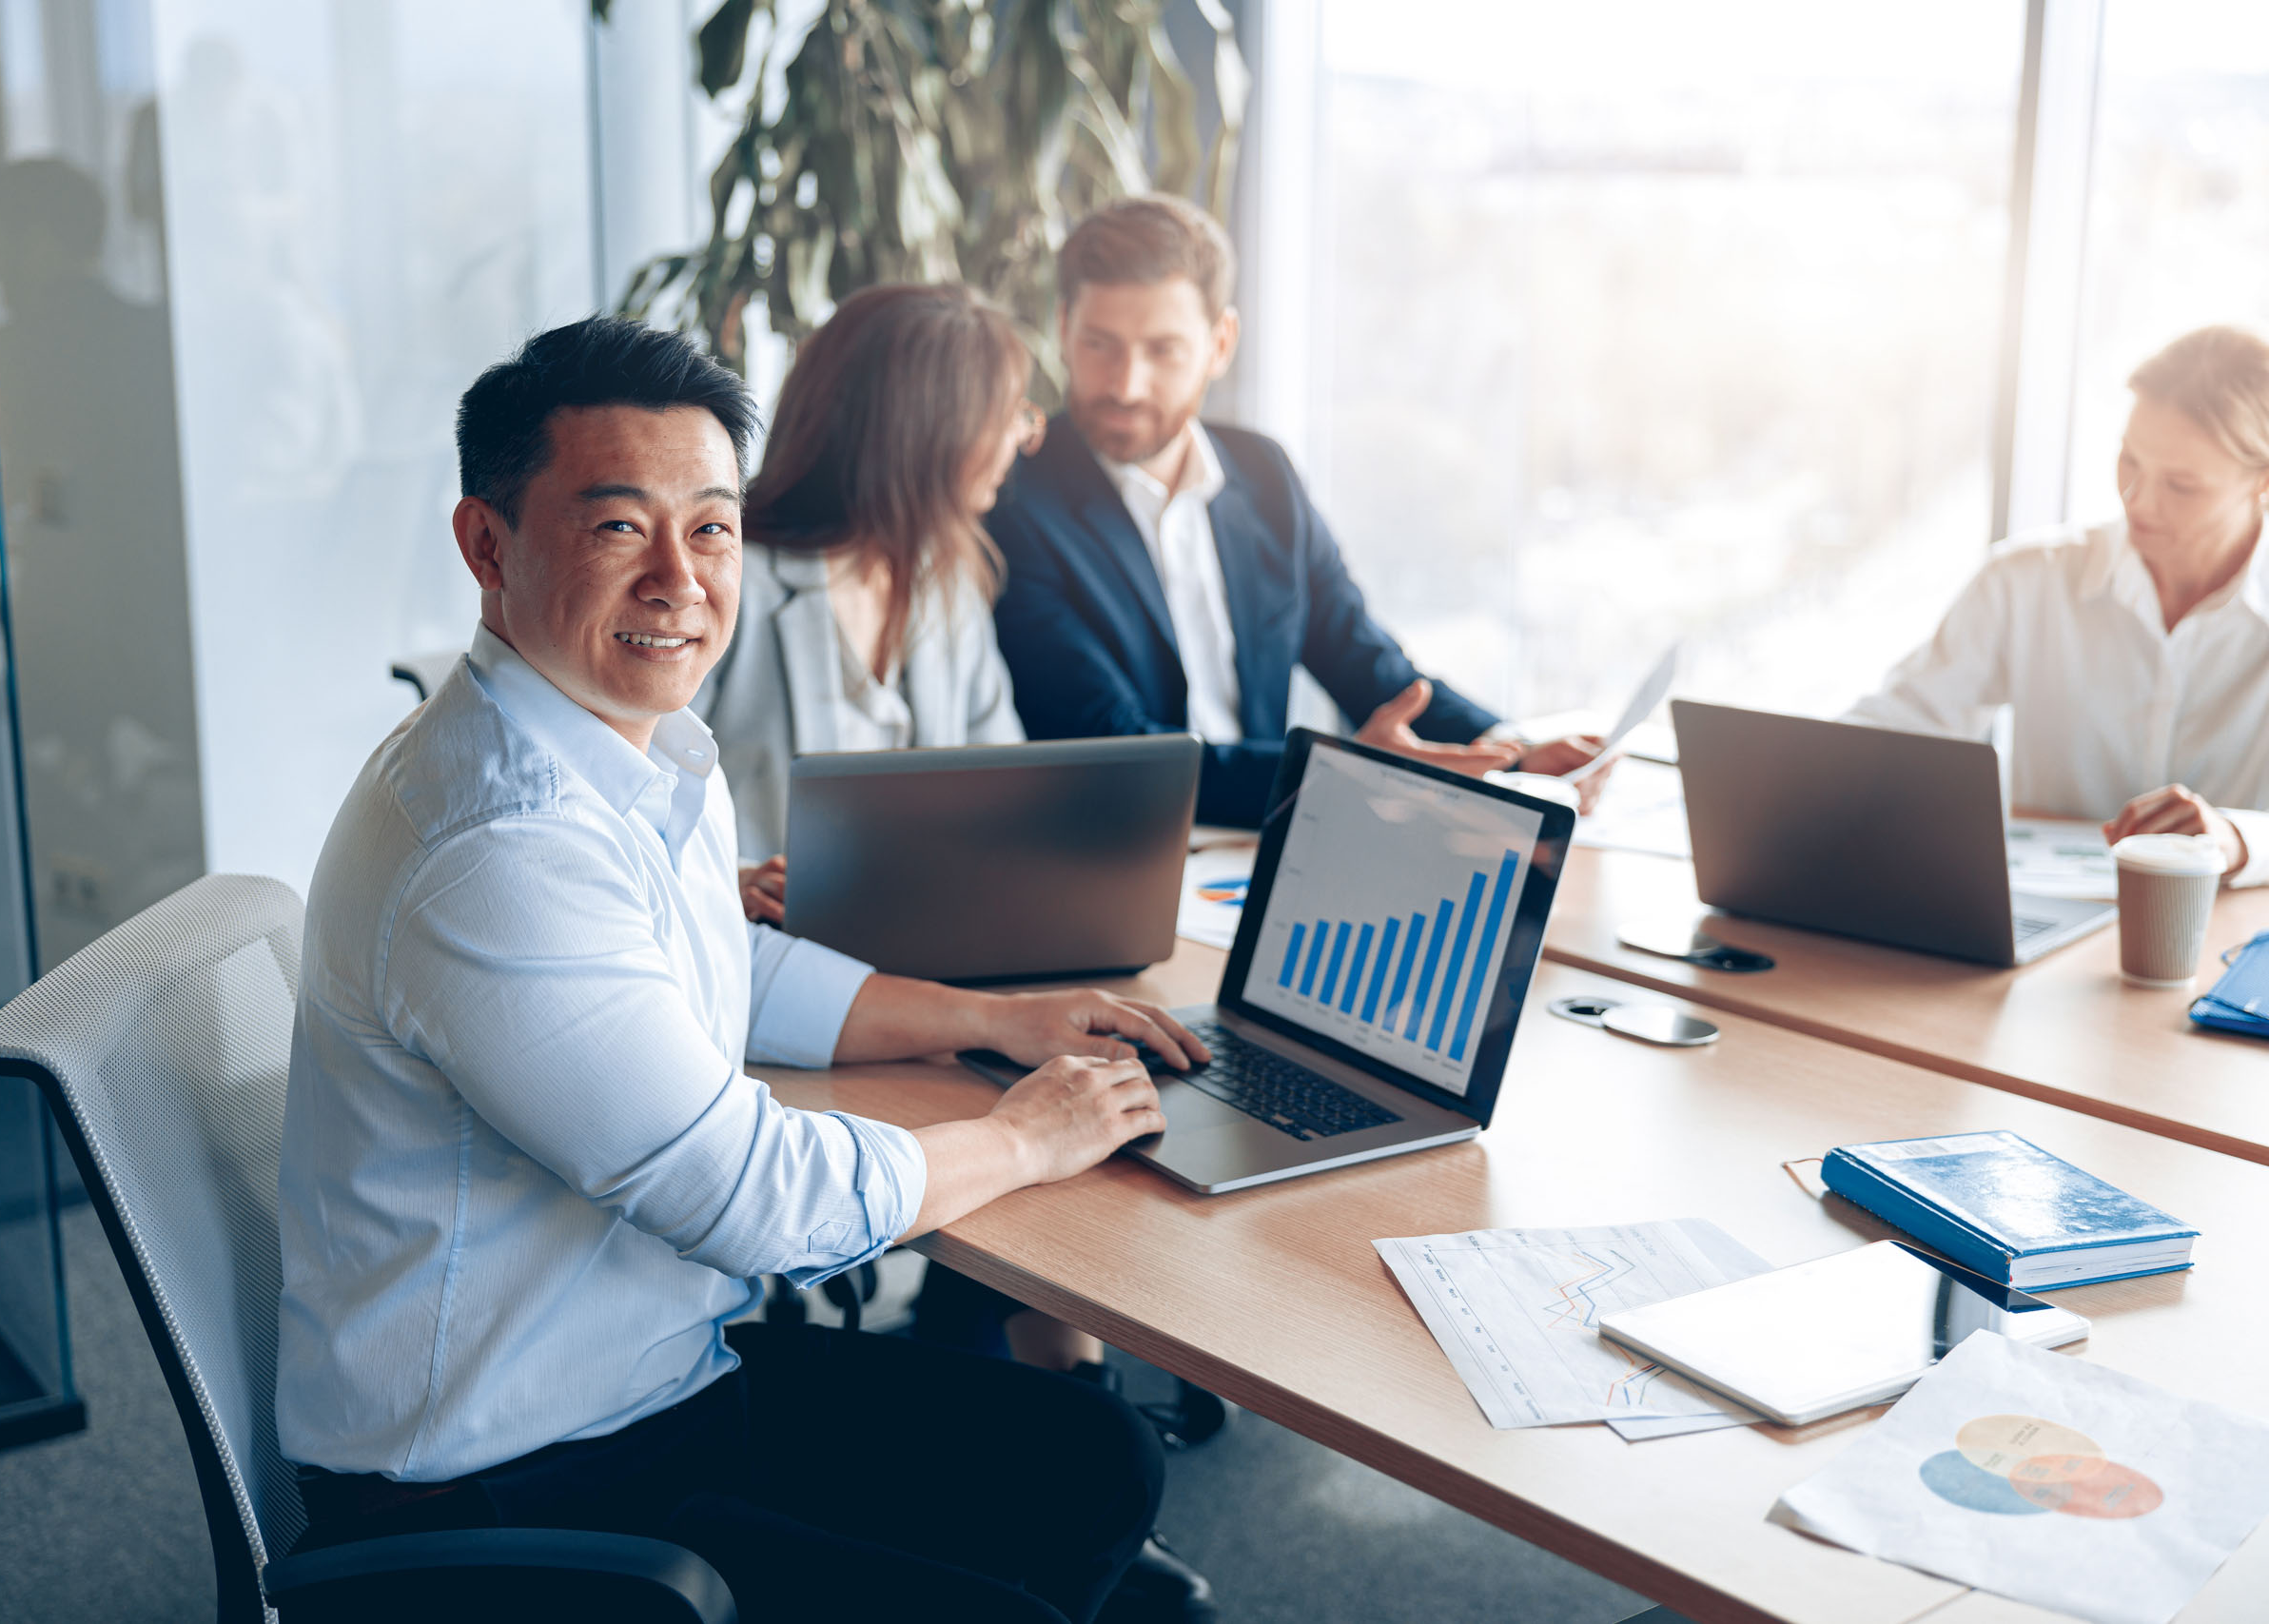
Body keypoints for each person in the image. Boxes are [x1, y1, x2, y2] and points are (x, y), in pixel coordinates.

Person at [275, 315, 1226, 1623]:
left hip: (652, 1378)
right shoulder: (498, 845)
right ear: (487, 544)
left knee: (1094, 1459)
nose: (680, 579)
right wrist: (1023, 1138)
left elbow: (738, 971)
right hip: (503, 1483)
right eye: (620, 526)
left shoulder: (634, 744)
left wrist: (1000, 1019)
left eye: (712, 527)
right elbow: (753, 1198)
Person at [987, 194, 1602, 829]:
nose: (1126, 384)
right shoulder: (1015, 499)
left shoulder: (1262, 472)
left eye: (1163, 350)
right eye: (1100, 344)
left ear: (1220, 343)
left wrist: (1509, 751)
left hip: (1272, 842)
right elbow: (1113, 752)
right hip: (1122, 849)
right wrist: (1341, 776)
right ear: (1064, 328)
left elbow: (1361, 656)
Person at [1846, 324, 2269, 888]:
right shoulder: (2026, 582)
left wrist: (2238, 840)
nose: (2138, 500)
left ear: (2261, 483)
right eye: (2129, 460)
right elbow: (1893, 730)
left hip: (2233, 927)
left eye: (2181, 486)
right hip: (2048, 917)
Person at [699, 284, 1032, 919]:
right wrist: (730, 883)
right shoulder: (729, 580)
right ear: (930, 430)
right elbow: (634, 798)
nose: (1020, 437)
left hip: (927, 931)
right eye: (1006, 414)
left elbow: (1007, 794)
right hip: (761, 945)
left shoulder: (949, 582)